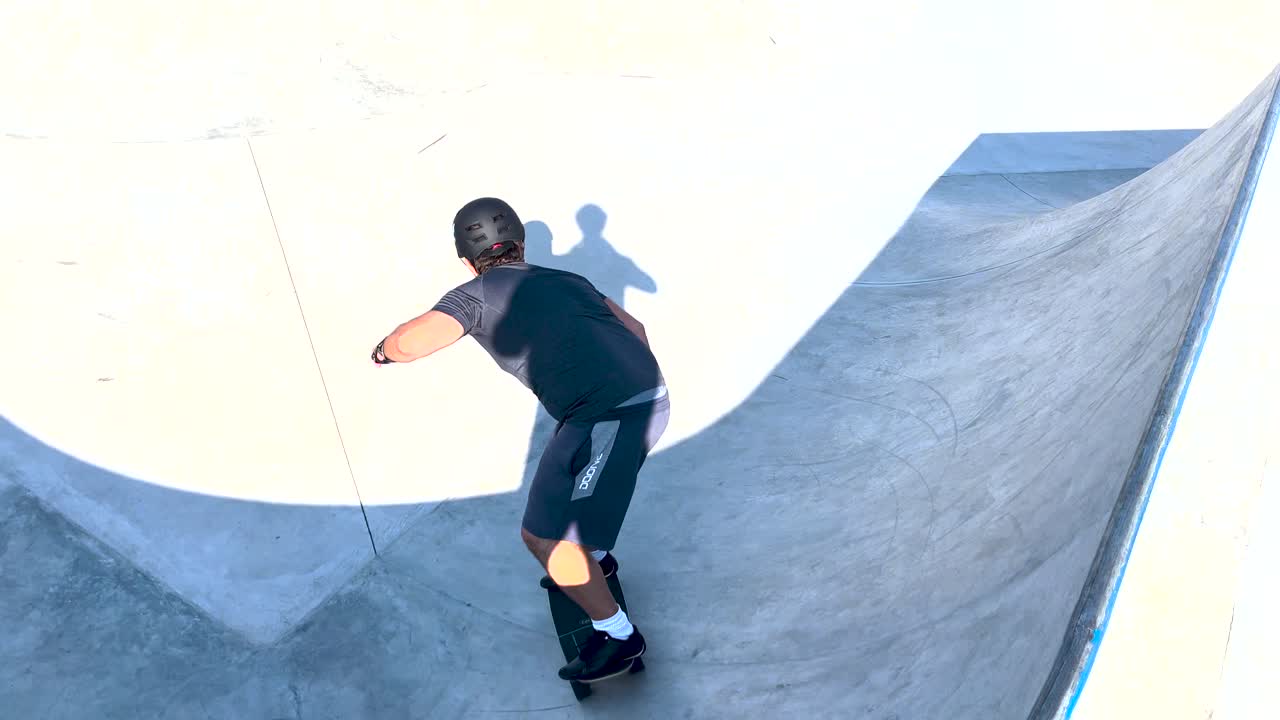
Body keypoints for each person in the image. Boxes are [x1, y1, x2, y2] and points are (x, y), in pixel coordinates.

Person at [370, 197, 670, 683]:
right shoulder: (567, 280)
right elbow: (635, 327)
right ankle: (595, 561)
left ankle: (619, 637)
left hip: (611, 416)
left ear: (467, 262)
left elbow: (406, 344)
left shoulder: (472, 296)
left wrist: (383, 351)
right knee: (559, 508)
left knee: (546, 537)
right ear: (521, 246)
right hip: (625, 400)